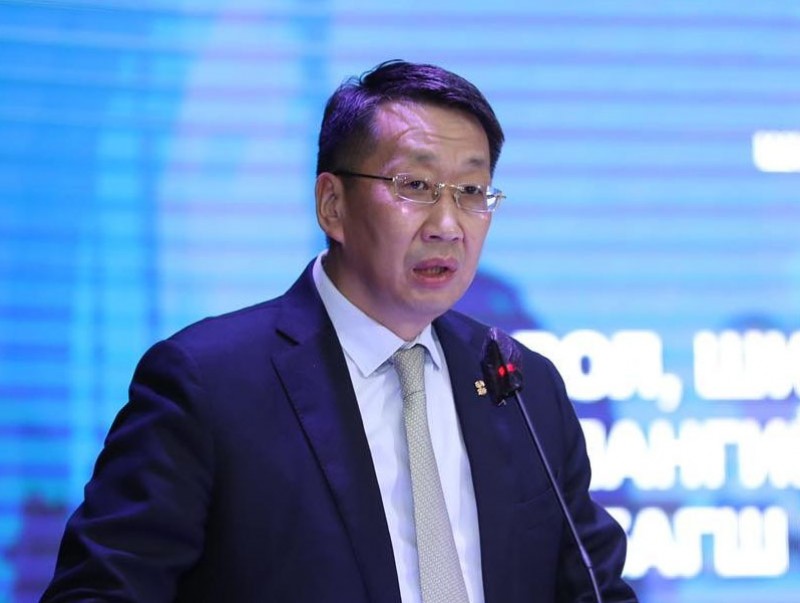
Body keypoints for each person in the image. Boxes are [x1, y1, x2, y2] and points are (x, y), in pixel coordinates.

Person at [41, 60, 637, 603]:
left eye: (471, 192)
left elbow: (593, 589)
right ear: (332, 204)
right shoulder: (209, 385)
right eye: (415, 186)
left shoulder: (523, 385)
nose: (448, 224)